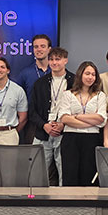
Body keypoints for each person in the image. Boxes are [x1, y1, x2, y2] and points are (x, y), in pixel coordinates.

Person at [28, 47, 74, 186]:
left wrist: (63, 124)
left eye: (58, 59)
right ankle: (34, 202)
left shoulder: (75, 82)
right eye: (51, 59)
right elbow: (32, 111)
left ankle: (63, 203)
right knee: (35, 171)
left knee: (65, 172)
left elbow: (80, 109)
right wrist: (44, 125)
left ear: (65, 60)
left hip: (66, 132)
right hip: (43, 132)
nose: (54, 63)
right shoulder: (40, 83)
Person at [59, 61, 106, 186]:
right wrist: (91, 122)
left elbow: (101, 118)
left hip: (92, 139)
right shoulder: (68, 94)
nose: (90, 77)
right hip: (71, 139)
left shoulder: (100, 96)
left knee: (89, 175)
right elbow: (64, 118)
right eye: (87, 74)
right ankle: (70, 204)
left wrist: (77, 116)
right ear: (80, 75)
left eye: (93, 74)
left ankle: (89, 205)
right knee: (70, 174)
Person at [15, 34, 52, 144]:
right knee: (33, 158)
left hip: (55, 123)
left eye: (42, 46)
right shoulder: (25, 73)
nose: (39, 49)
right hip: (32, 123)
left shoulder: (56, 71)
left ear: (49, 49)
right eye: (36, 47)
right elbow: (18, 99)